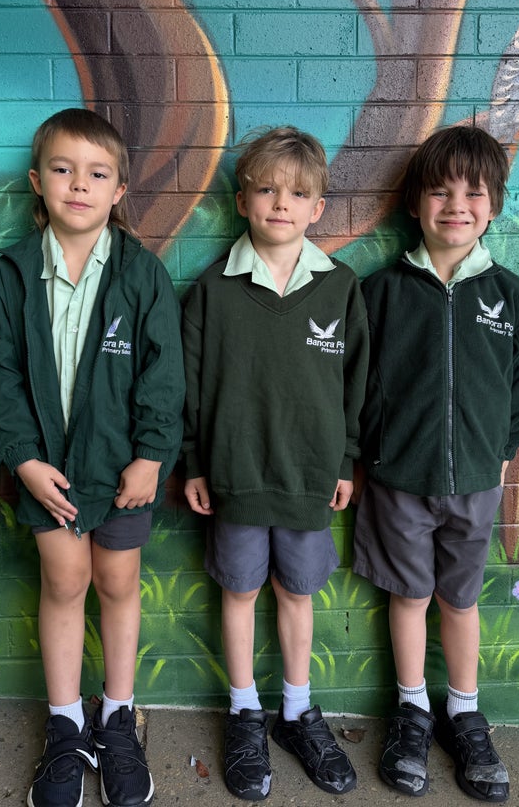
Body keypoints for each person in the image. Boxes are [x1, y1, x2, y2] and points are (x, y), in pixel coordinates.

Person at [0, 108, 185, 807]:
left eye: (97, 174)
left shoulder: (142, 276)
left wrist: (151, 457)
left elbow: (164, 374)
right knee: (65, 581)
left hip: (123, 468)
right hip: (48, 469)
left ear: (120, 190)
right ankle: (66, 725)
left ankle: (117, 716)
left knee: (118, 584)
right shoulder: (10, 277)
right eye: (63, 170)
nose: (79, 185)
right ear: (38, 182)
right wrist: (24, 461)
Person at [353, 125, 519, 802]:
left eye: (472, 192)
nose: (455, 205)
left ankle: (463, 710)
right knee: (409, 596)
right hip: (399, 480)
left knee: (459, 601)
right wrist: (372, 452)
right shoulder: (382, 292)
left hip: (477, 486)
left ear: (493, 204)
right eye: (439, 191)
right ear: (414, 203)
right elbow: (361, 385)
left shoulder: (509, 297)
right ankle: (411, 710)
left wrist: (498, 450)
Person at [182, 126, 368, 801]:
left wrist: (345, 461)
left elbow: (356, 385)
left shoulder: (340, 288)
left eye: (295, 194)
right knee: (240, 591)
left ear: (317, 208)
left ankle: (295, 710)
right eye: (265, 189)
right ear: (241, 201)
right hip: (234, 475)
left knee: (297, 592)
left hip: (309, 478)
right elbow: (190, 384)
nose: (280, 203)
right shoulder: (212, 290)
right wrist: (195, 462)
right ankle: (244, 712)